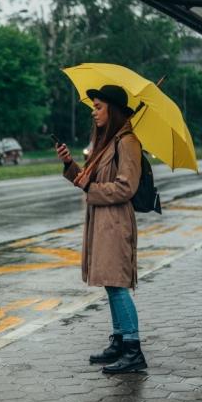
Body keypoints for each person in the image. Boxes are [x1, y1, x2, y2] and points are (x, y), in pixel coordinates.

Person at [55, 84, 147, 374]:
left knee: (118, 286)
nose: (93, 112)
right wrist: (70, 164)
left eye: (98, 107)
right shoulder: (106, 143)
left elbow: (126, 187)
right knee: (111, 284)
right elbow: (85, 178)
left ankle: (133, 350)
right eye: (93, 107)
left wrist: (91, 188)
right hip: (102, 222)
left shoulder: (127, 142)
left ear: (113, 110)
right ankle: (119, 341)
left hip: (116, 223)